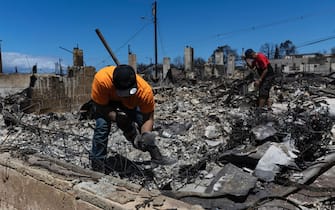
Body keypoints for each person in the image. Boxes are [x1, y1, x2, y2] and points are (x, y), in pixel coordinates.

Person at [89, 64, 175, 173]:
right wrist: (116, 117)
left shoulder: (145, 91)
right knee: (102, 126)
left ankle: (156, 157)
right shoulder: (102, 80)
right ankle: (97, 165)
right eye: (123, 93)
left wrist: (145, 136)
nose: (125, 95)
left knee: (145, 130)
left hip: (131, 104)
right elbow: (100, 107)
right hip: (107, 103)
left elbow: (148, 118)